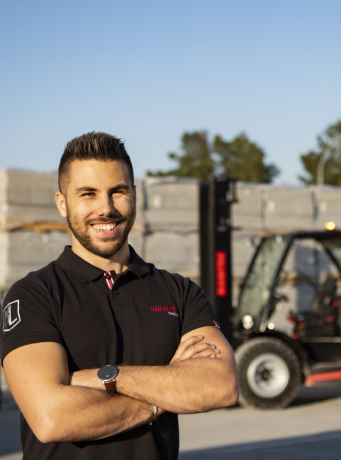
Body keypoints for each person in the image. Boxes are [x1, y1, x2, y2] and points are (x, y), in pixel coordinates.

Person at [0, 132, 238, 460]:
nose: (106, 208)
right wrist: (163, 394)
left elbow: (221, 386)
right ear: (62, 203)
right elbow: (51, 418)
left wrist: (104, 378)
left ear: (134, 196)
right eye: (88, 194)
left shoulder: (180, 292)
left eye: (118, 191)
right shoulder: (34, 295)